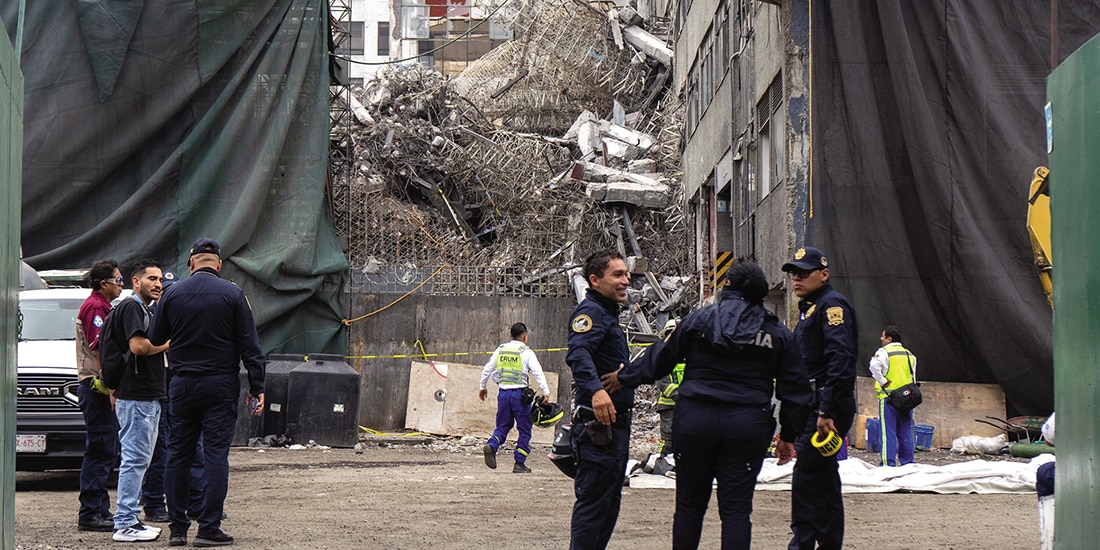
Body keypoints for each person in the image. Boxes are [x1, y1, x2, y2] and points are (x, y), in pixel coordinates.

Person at [602, 260, 813, 550]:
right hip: (746, 425)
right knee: (737, 511)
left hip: (695, 421)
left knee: (689, 506)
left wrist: (623, 377)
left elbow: (662, 357)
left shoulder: (700, 321)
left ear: (728, 286)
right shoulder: (776, 333)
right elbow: (796, 389)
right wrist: (788, 436)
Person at [149, 238, 265, 548]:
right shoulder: (233, 294)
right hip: (220, 384)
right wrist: (257, 387)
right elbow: (250, 346)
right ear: (219, 264)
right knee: (216, 456)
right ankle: (209, 528)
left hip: (182, 384)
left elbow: (156, 337)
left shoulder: (171, 294)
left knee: (177, 454)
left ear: (191, 264)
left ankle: (177, 530)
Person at [781, 246, 859, 550]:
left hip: (824, 407)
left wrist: (826, 409)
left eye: (803, 273)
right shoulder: (811, 306)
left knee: (807, 480)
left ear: (824, 275)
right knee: (825, 480)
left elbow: (840, 359)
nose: (796, 279)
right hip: (817, 404)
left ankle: (801, 545)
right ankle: (828, 543)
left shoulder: (831, 306)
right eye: (793, 273)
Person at [566, 249, 632, 550]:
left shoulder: (607, 314)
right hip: (597, 429)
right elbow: (578, 354)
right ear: (595, 280)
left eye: (627, 274)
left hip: (614, 428)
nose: (626, 280)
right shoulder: (591, 313)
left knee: (607, 506)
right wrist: (596, 390)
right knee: (594, 506)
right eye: (617, 275)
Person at [101, 259, 170, 542]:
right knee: (134, 459)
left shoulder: (142, 309)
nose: (157, 284)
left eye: (159, 279)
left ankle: (129, 519)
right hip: (137, 396)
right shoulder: (132, 307)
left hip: (145, 395)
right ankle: (125, 523)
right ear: (136, 282)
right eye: (151, 278)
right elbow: (138, 347)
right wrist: (170, 343)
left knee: (140, 459)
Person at [75, 259, 123, 532]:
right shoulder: (95, 307)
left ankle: (100, 509)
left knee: (105, 449)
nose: (121, 285)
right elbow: (99, 350)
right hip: (96, 388)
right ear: (103, 284)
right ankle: (91, 512)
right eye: (118, 280)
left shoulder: (104, 306)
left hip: (99, 388)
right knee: (100, 449)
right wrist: (112, 388)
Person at [478, 322, 552, 473]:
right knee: (525, 429)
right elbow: (537, 372)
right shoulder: (527, 352)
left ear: (510, 335)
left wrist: (482, 386)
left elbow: (488, 369)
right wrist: (545, 391)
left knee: (502, 426)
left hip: (503, 394)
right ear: (525, 337)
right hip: (520, 396)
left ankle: (492, 445)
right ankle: (519, 463)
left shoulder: (501, 349)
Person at [140, 271, 176, 524]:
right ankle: (152, 502)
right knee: (157, 448)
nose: (161, 291)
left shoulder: (172, 315)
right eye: (158, 285)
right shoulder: (146, 314)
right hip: (154, 390)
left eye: (165, 287)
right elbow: (142, 348)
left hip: (172, 387)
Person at [868, 325, 917, 467]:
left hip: (888, 398)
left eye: (883, 336)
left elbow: (873, 366)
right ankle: (908, 463)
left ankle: (887, 464)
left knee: (888, 432)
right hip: (907, 399)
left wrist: (882, 381)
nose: (881, 338)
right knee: (905, 432)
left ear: (889, 339)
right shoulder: (909, 354)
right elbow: (912, 376)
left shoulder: (884, 352)